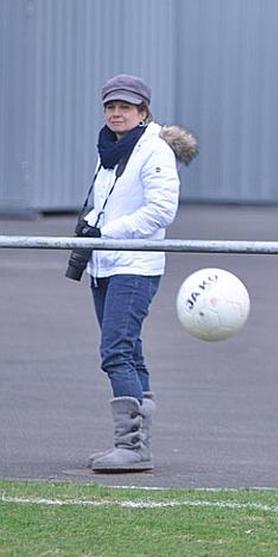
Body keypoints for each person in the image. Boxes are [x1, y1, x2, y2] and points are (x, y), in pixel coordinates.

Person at [70, 73, 197, 472]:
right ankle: (136, 442)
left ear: (143, 111)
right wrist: (90, 224)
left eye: (125, 107)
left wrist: (106, 231)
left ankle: (132, 446)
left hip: (135, 265)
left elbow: (161, 211)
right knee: (130, 350)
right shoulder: (110, 149)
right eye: (111, 106)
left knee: (116, 352)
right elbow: (109, 204)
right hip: (106, 263)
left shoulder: (154, 151)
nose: (116, 113)